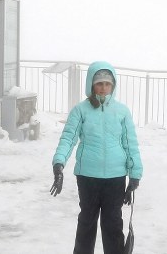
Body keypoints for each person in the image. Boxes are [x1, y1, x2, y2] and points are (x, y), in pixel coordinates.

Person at [50, 61, 143, 254]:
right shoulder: (80, 110)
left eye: (107, 84)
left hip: (115, 177)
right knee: (87, 222)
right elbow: (68, 138)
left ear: (113, 86)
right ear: (91, 85)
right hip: (88, 176)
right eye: (99, 83)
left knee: (113, 224)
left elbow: (130, 144)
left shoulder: (122, 112)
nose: (103, 88)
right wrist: (59, 163)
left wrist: (134, 176)